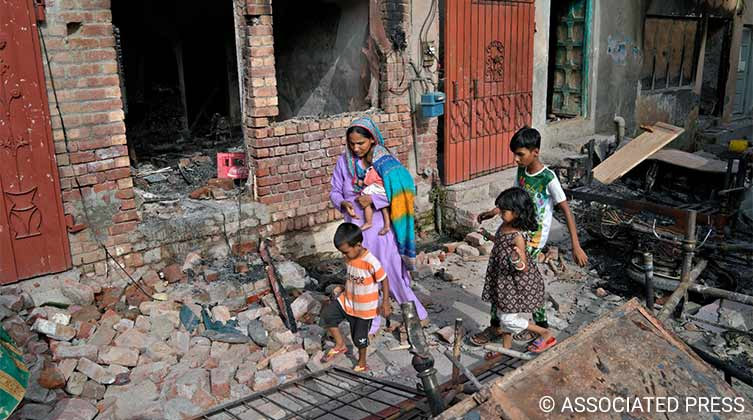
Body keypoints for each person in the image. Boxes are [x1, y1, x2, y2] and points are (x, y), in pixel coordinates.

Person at [471, 127, 587, 345]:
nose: (516, 159)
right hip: (515, 232)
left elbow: (566, 210)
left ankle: (537, 326)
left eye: (520, 154)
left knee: (523, 281)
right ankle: (499, 326)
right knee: (502, 278)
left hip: (532, 239)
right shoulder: (522, 171)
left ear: (535, 152)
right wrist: (494, 211)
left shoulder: (547, 178)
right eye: (514, 154)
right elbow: (514, 198)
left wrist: (576, 245)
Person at [330, 116, 428, 333]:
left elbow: (404, 189)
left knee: (391, 272)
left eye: (360, 143)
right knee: (362, 278)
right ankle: (370, 322)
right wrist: (342, 202)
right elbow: (335, 190)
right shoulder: (343, 163)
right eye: (351, 143)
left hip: (380, 230)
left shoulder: (385, 162)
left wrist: (374, 200)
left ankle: (417, 315)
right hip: (357, 233)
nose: (355, 148)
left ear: (372, 140)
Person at [480, 188, 556, 353]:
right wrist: (488, 236)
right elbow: (500, 242)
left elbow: (523, 266)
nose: (500, 213)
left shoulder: (518, 237)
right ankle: (506, 348)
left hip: (515, 282)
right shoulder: (504, 226)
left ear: (516, 212)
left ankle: (544, 332)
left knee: (508, 318)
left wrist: (516, 259)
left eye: (504, 210)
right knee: (502, 312)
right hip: (503, 280)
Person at [320, 223, 391, 371]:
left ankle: (362, 362)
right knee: (327, 315)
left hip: (364, 309)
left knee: (359, 338)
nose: (344, 256)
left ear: (358, 245)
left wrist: (385, 302)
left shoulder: (370, 262)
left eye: (346, 252)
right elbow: (353, 276)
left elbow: (384, 279)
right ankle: (340, 345)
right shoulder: (350, 257)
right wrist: (343, 287)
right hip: (347, 300)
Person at [359, 165, 391, 235]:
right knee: (384, 207)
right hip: (385, 189)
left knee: (364, 195)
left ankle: (368, 222)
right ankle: (387, 225)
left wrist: (361, 182)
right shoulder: (384, 167)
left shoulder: (373, 169)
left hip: (379, 187)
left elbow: (367, 181)